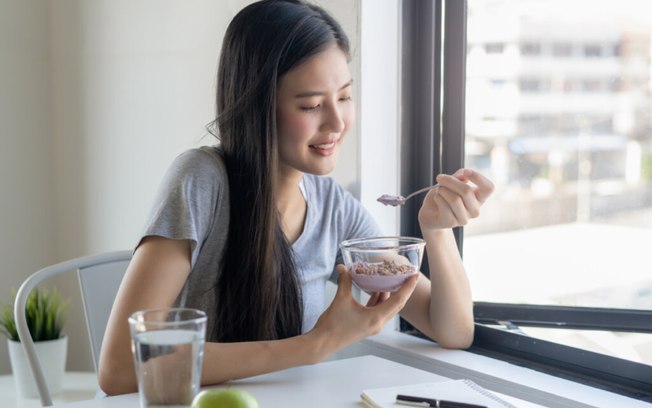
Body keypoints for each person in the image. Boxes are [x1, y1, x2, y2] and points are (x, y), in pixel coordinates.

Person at [98, 0, 494, 395]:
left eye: (344, 97)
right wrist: (315, 345)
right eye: (311, 105)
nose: (337, 123)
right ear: (258, 107)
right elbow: (120, 368)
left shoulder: (333, 208)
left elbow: (453, 330)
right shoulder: (202, 181)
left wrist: (437, 232)